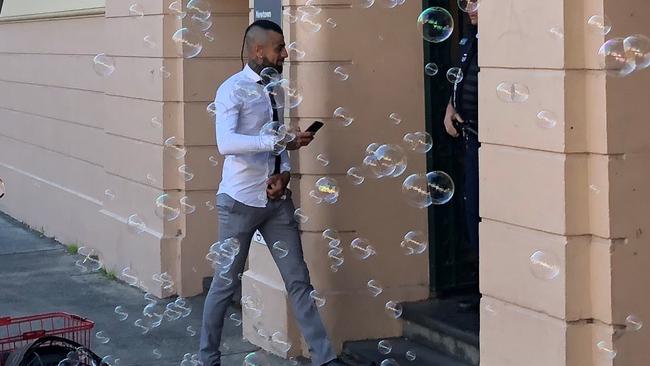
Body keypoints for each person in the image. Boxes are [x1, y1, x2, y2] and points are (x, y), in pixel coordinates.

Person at [199, 20, 344, 366]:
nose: (286, 53)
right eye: (279, 48)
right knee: (224, 283)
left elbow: (278, 139)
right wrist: (279, 140)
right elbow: (226, 143)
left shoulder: (276, 87)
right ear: (258, 50)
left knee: (299, 281)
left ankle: (325, 359)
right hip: (239, 203)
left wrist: (285, 174)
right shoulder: (231, 89)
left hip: (277, 202)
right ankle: (208, 359)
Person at [443, 7, 480, 310]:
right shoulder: (470, 40)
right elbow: (460, 79)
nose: (469, 7)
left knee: (485, 215)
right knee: (473, 214)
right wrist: (450, 107)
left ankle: (490, 292)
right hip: (470, 143)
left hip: (490, 146)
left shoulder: (501, 42)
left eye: (477, 0)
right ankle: (483, 289)